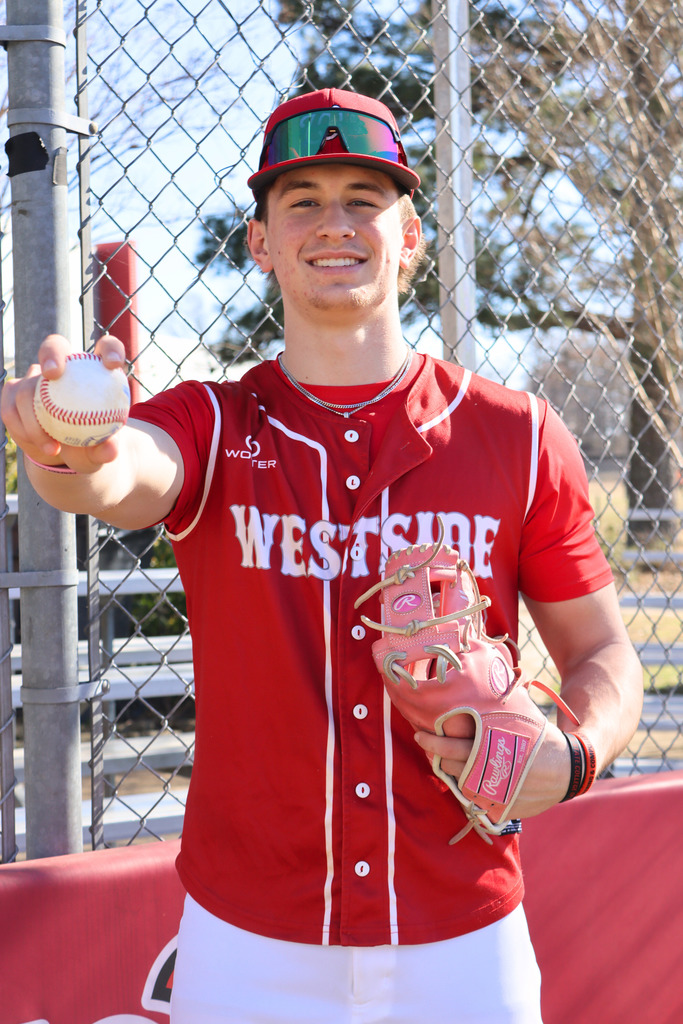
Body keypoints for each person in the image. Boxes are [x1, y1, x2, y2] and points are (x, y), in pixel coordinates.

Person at [2, 88, 643, 1023]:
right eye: (300, 200)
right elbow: (117, 475)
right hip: (248, 941)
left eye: (362, 198)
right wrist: (69, 448)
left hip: (463, 937)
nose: (332, 222)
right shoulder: (215, 422)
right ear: (259, 241)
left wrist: (576, 753)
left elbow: (602, 655)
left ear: (409, 234)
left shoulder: (517, 435)